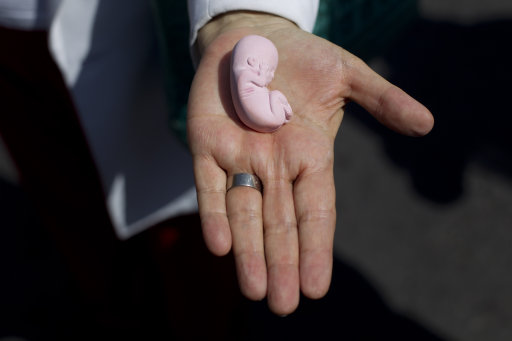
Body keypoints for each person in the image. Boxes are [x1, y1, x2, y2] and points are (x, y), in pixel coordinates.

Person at [0, 0, 433, 323]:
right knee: (65, 192)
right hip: (14, 31)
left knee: (180, 228)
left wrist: (245, 11)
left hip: (130, 25)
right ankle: (108, 300)